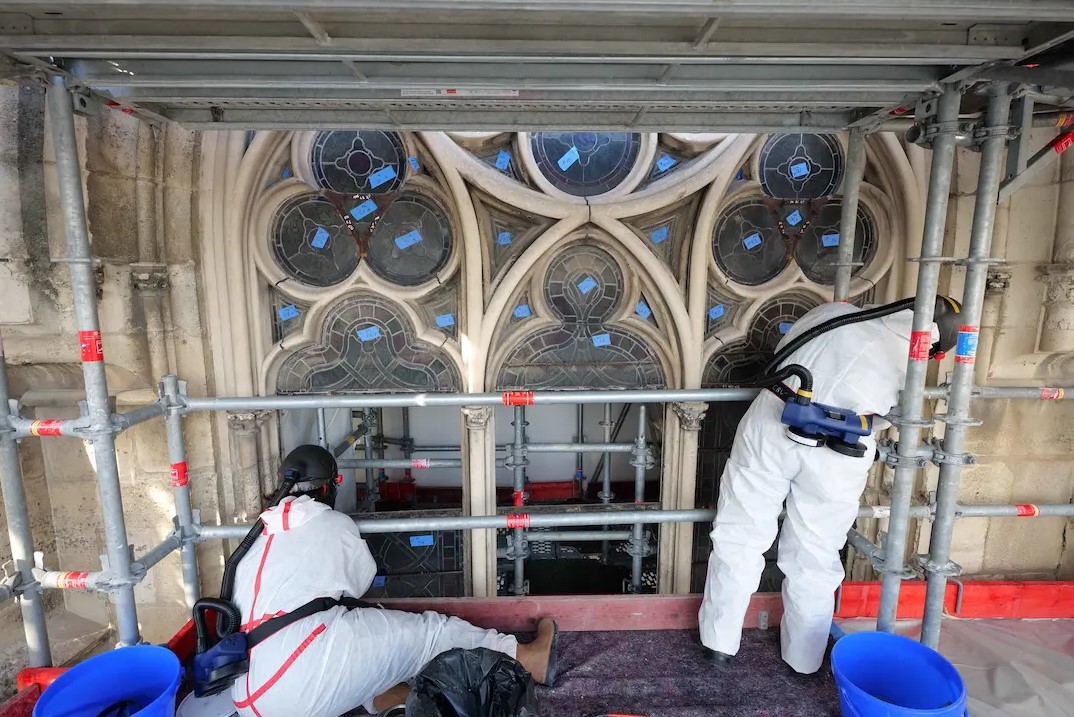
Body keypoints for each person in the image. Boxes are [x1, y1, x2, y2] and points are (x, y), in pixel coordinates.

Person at [698, 296, 962, 675]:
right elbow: (901, 414)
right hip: (842, 446)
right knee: (815, 554)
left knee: (740, 533)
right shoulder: (913, 359)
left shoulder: (832, 313)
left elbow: (784, 352)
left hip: (775, 417)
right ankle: (803, 660)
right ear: (935, 345)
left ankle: (718, 642)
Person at [230, 444, 558, 717]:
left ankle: (393, 702)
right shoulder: (328, 523)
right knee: (429, 634)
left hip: (247, 694)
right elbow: (361, 580)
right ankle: (524, 657)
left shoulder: (256, 536)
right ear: (329, 486)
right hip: (298, 680)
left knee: (365, 645)